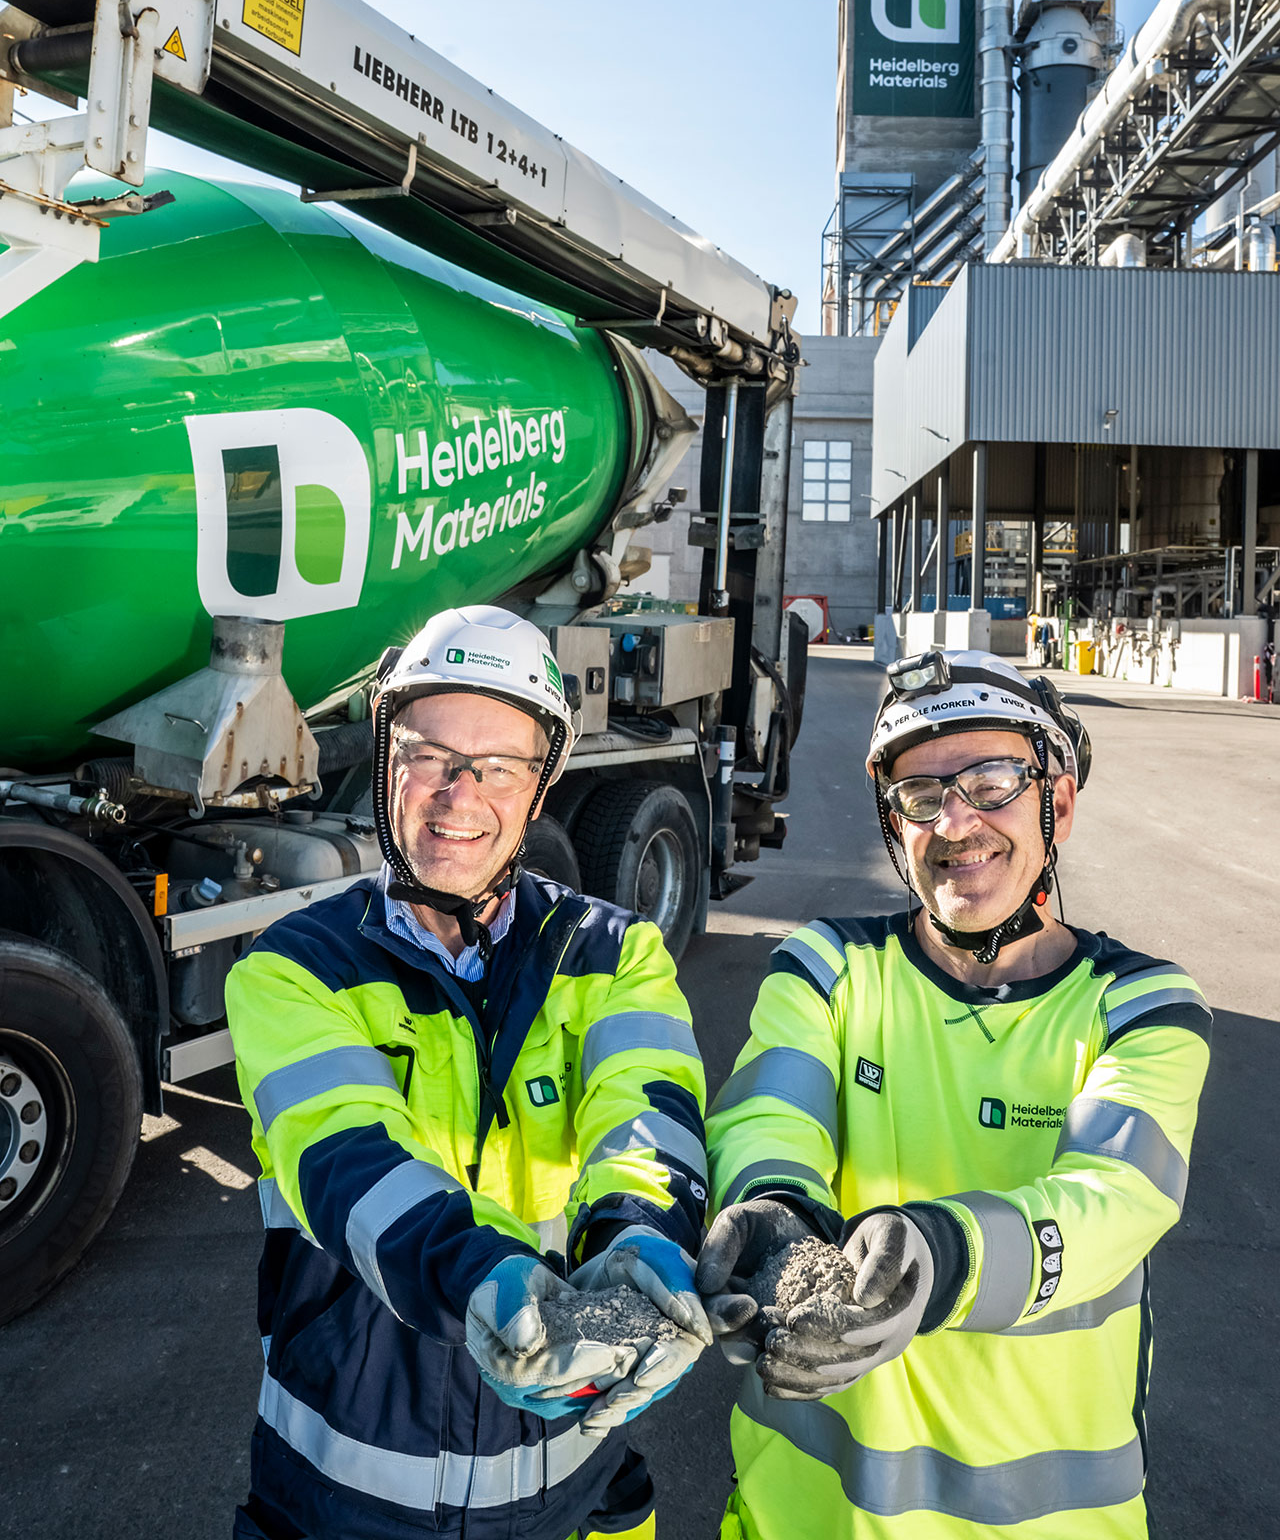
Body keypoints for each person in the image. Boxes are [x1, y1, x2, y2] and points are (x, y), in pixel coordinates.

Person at [697, 647, 1210, 1539]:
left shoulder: (1140, 1008)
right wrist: (773, 1205)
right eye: (921, 797)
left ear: (1063, 800)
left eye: (996, 780)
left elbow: (1115, 1196)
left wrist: (941, 1255)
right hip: (801, 1518)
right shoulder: (830, 968)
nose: (956, 823)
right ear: (894, 825)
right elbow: (771, 1107)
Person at [226, 604, 711, 1540]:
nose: (457, 794)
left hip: (573, 1490)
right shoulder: (294, 968)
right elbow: (343, 1153)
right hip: (345, 1501)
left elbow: (648, 1109)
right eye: (427, 755)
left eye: (494, 766)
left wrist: (645, 1235)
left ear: (544, 785)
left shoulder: (618, 956)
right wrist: (481, 1274)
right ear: (384, 758)